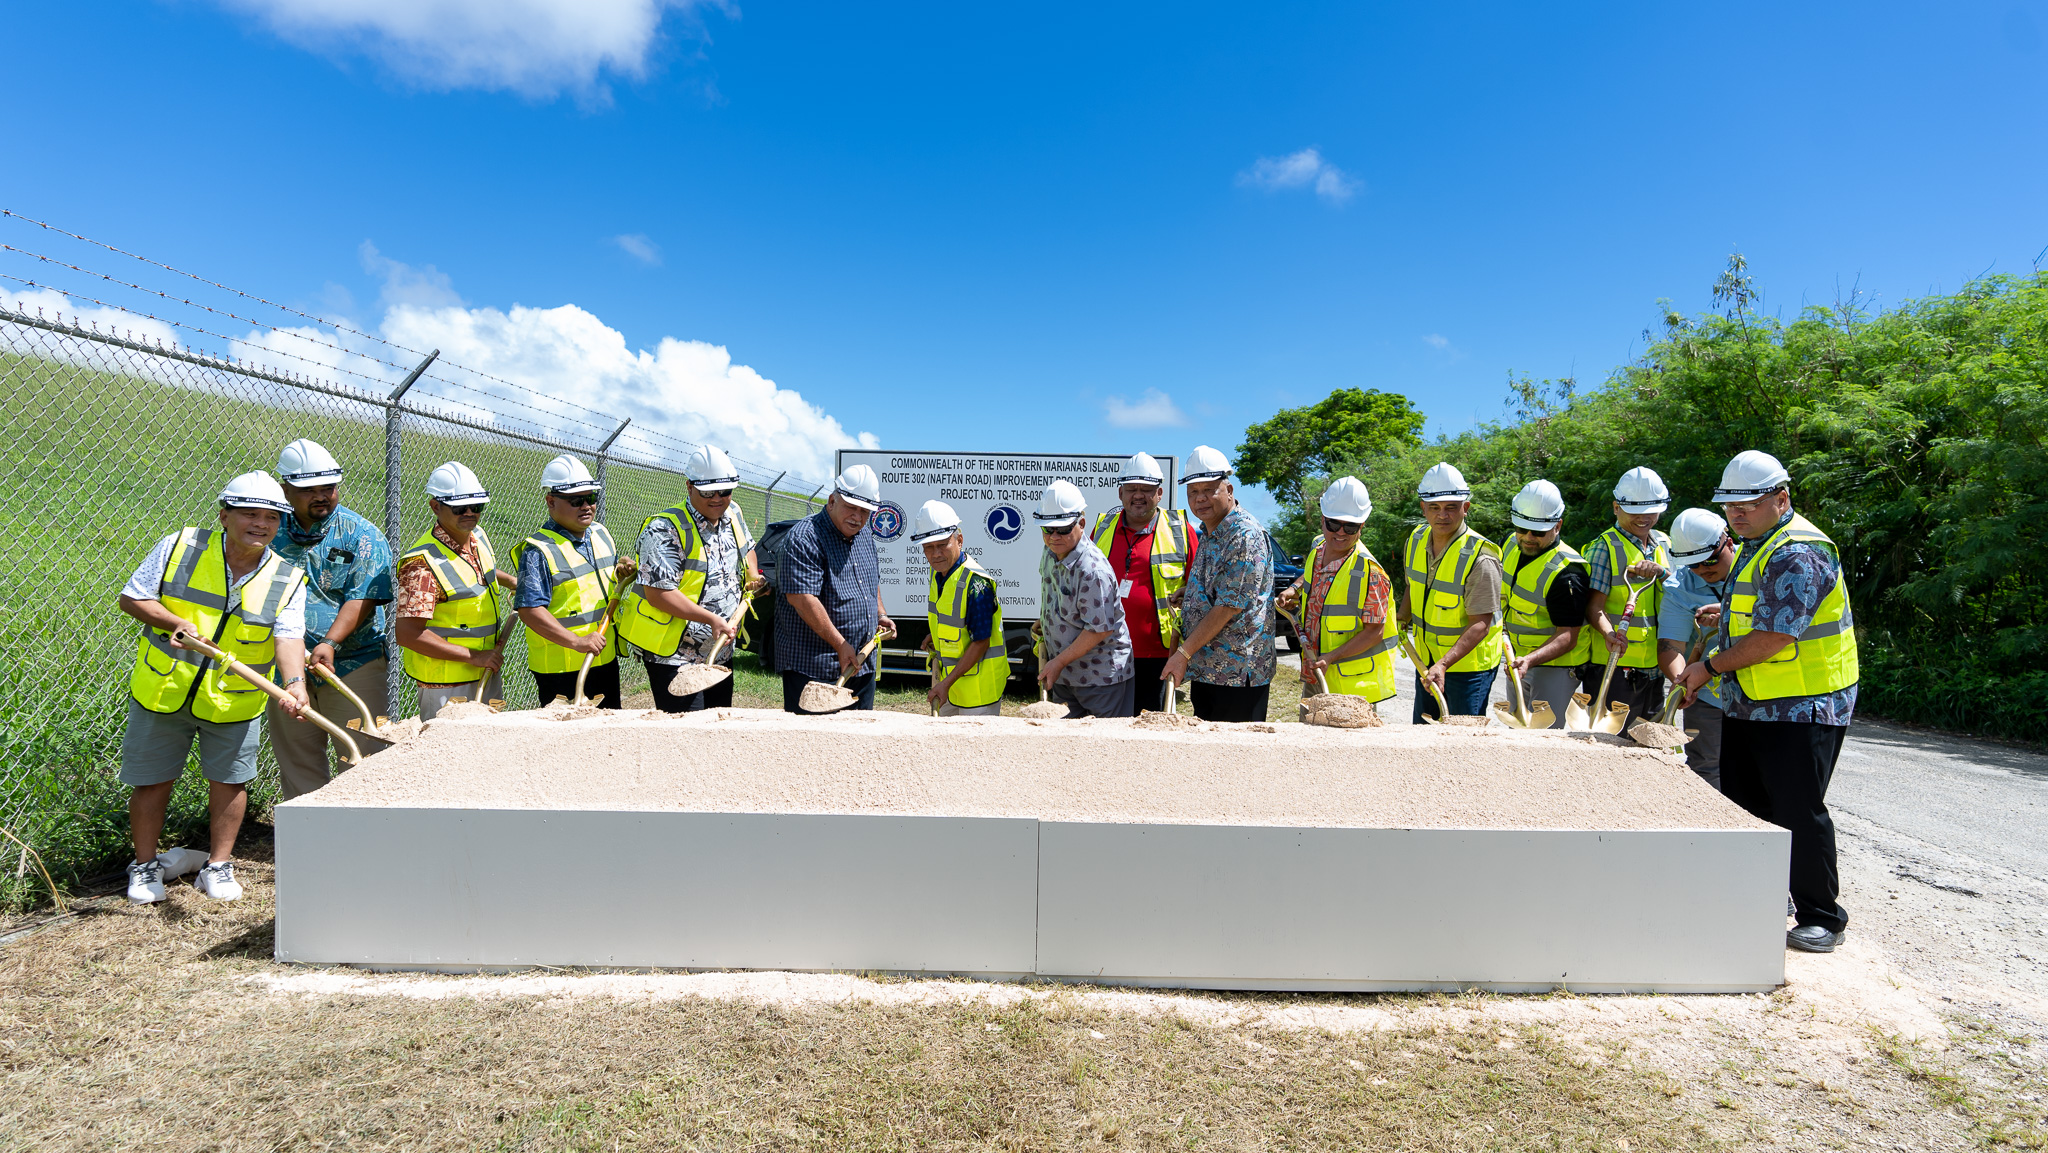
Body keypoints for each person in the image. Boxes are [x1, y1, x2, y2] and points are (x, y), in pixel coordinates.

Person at [1678, 450, 1860, 953]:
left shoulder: (1797, 551)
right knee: (1747, 802)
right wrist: (1727, 614)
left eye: (1750, 503)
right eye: (1731, 506)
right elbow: (1764, 610)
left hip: (1804, 702)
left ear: (1781, 498)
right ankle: (1760, 894)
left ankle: (1823, 916)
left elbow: (1777, 636)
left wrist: (1709, 666)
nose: (1738, 513)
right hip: (1757, 700)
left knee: (1798, 809)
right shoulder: (1762, 543)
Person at [117, 472, 308, 904]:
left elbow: (289, 637)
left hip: (233, 700)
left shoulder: (287, 578)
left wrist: (295, 683)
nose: (261, 524)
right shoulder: (179, 546)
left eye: (272, 518)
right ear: (224, 515)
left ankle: (217, 867)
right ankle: (144, 865)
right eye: (249, 514)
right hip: (164, 689)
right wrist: (172, 622)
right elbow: (133, 597)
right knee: (152, 780)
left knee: (231, 782)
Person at [264, 438, 393, 798]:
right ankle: (308, 841)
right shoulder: (267, 531)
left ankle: (361, 840)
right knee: (297, 757)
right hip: (285, 667)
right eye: (309, 489)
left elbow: (362, 597)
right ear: (285, 488)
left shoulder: (362, 535)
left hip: (353, 663)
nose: (322, 496)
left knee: (364, 757)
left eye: (329, 487)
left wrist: (330, 642)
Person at [618, 446, 762, 713]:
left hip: (718, 651)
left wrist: (752, 575)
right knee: (686, 735)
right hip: (675, 657)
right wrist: (711, 619)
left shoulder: (733, 514)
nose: (718, 498)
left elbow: (748, 548)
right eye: (708, 492)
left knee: (717, 726)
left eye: (726, 491)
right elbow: (659, 593)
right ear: (689, 486)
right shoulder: (664, 529)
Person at [395, 462, 517, 720]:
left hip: (485, 668)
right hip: (448, 684)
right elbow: (407, 634)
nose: (470, 513)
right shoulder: (421, 565)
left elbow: (480, 572)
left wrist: (512, 582)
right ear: (435, 506)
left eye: (477, 507)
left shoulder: (477, 536)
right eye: (460, 507)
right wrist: (473, 656)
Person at [1161, 446, 1274, 722]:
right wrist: (1192, 594)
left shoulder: (1244, 535)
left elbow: (1228, 607)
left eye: (1209, 490)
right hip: (1208, 669)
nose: (1200, 499)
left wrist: (1183, 653)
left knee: (1235, 758)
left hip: (1236, 676)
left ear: (1229, 491)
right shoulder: (1210, 532)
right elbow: (1227, 586)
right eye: (1193, 492)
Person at [776, 464, 894, 713]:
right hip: (815, 669)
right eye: (851, 507)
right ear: (831, 501)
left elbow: (871, 580)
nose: (858, 517)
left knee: (857, 743)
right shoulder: (805, 537)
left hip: (860, 665)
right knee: (815, 745)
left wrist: (880, 614)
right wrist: (841, 645)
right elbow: (802, 598)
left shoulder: (862, 535)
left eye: (865, 511)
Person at [513, 455, 628, 709]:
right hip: (561, 670)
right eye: (576, 500)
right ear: (551, 502)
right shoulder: (538, 550)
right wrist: (576, 642)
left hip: (603, 659)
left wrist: (620, 572)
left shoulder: (600, 533)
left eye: (591, 498)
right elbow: (529, 611)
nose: (586, 506)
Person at [1090, 452, 1198, 713]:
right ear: (1120, 493)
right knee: (1107, 723)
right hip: (1106, 651)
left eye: (1146, 489)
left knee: (1148, 728)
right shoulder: (1102, 528)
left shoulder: (1180, 530)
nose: (1138, 495)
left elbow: (1199, 586)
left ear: (1159, 493)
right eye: (1131, 489)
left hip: (1158, 654)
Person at [1277, 476, 1397, 707]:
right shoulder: (1318, 549)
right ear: (1322, 521)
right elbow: (1313, 576)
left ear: (1362, 526)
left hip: (1350, 686)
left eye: (1350, 526)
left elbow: (1375, 632)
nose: (1340, 533)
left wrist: (1331, 657)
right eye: (1334, 524)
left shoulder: (1371, 572)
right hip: (1315, 671)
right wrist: (1295, 589)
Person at [1397, 462, 1504, 722]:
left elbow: (1480, 624)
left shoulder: (1481, 557)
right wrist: (1401, 619)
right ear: (1423, 508)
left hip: (1468, 670)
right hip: (1427, 661)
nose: (1442, 515)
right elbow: (1414, 585)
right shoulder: (1415, 540)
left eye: (1451, 508)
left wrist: (1444, 664)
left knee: (1461, 742)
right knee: (1424, 731)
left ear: (1465, 508)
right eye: (1434, 507)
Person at [1583, 466, 1673, 729]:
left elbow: (1681, 591)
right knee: (1610, 744)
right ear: (1616, 507)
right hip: (1614, 668)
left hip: (1655, 668)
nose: (1644, 518)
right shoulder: (1605, 547)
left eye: (1651, 511)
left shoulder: (1664, 543)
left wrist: (1663, 572)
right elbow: (1594, 606)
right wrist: (1608, 634)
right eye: (1635, 511)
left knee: (1646, 745)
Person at [1036, 481, 1135, 718]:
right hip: (1065, 674)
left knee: (1104, 746)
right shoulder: (1051, 551)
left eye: (1063, 529)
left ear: (1081, 524)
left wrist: (1057, 662)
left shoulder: (1093, 570)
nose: (1054, 536)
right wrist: (1044, 620)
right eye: (1048, 529)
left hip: (1101, 678)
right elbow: (1052, 590)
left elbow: (1099, 629)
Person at [1501, 479, 1592, 728]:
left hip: (1557, 668)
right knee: (1517, 730)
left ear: (1557, 525)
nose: (1528, 537)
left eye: (1538, 532)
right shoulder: (1511, 545)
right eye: (1522, 528)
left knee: (1546, 737)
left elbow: (1567, 637)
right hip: (1519, 661)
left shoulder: (1568, 573)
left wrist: (1529, 660)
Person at [1658, 507, 1736, 790]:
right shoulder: (1679, 587)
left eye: (1710, 561)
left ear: (1727, 541)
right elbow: (1671, 645)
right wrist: (1683, 683)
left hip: (1763, 695)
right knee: (1705, 770)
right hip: (1708, 696)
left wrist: (1729, 611)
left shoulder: (1759, 567)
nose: (1703, 571)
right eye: (1694, 565)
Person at [914, 500, 1008, 716]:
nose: (935, 553)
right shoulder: (939, 573)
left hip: (979, 693)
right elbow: (954, 619)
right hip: (953, 686)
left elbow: (981, 641)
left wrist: (945, 684)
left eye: (942, 544)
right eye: (928, 547)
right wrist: (936, 634)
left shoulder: (976, 584)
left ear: (959, 540)